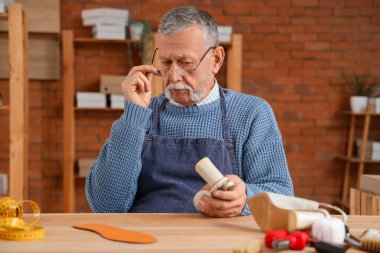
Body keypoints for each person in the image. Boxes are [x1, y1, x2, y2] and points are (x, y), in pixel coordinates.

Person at [86, 6, 293, 217]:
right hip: (146, 240)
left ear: (216, 60)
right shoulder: (141, 115)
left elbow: (283, 195)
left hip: (216, 243)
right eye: (166, 62)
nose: (174, 76)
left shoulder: (251, 113)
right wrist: (133, 117)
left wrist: (245, 199)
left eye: (186, 63)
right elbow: (106, 206)